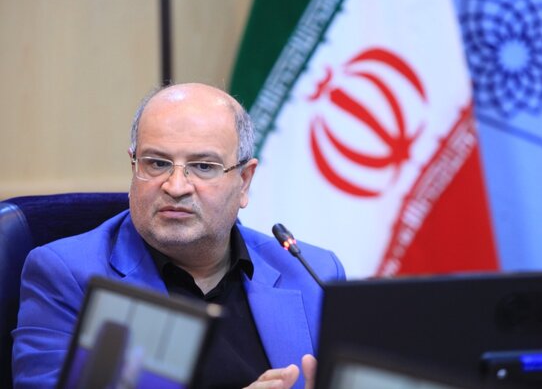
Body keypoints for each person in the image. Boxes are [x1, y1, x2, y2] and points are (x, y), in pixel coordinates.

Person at [12, 83, 346, 389]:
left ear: (244, 181)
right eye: (157, 163)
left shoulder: (312, 273)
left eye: (203, 167)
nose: (176, 186)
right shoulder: (68, 275)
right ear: (134, 167)